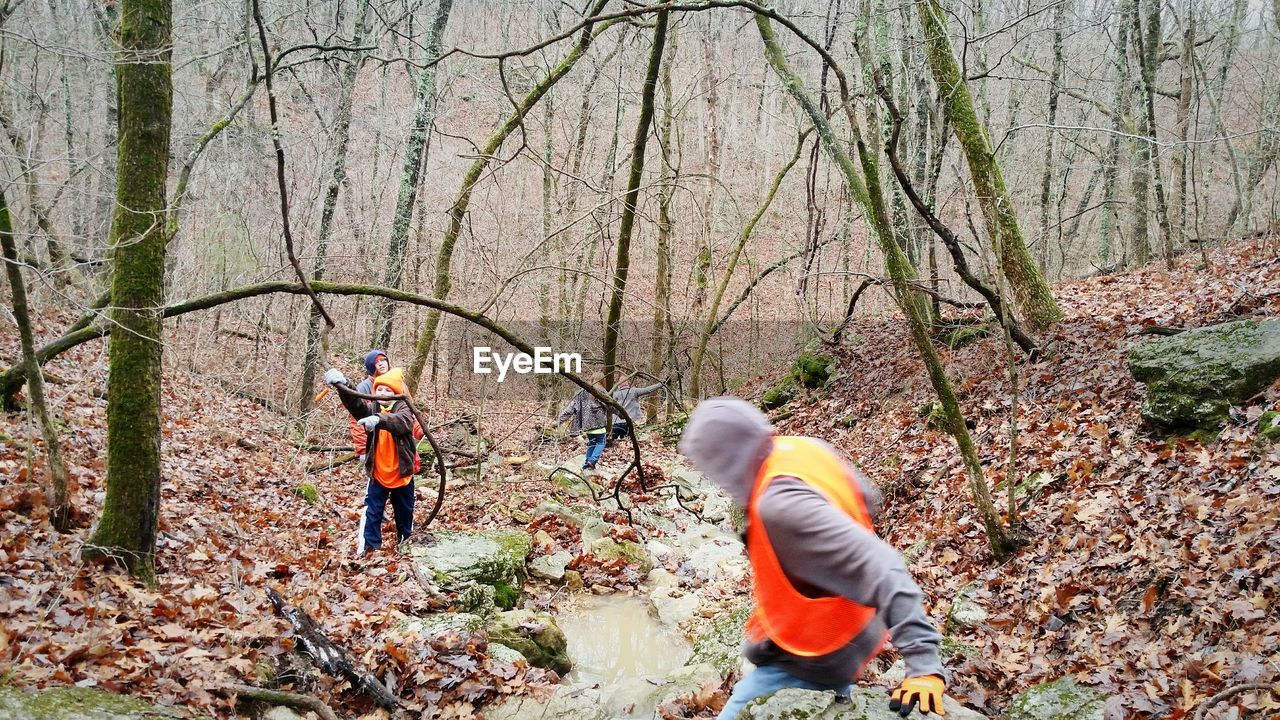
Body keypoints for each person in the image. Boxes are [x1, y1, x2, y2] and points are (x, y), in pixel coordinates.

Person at [678, 397, 948, 719]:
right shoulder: (800, 450)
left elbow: (882, 565)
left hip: (816, 653)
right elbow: (866, 499)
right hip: (852, 627)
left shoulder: (781, 506)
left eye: (710, 467)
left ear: (726, 459)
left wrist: (924, 665)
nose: (715, 480)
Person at [324, 365, 420, 555]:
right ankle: (369, 549)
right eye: (379, 389)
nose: (383, 393)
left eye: (388, 390)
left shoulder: (403, 406)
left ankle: (405, 546)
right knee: (373, 512)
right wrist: (343, 385)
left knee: (404, 512)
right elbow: (358, 407)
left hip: (401, 473)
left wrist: (379, 420)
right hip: (378, 472)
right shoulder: (375, 405)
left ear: (396, 392)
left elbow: (402, 422)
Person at [554, 372, 610, 471]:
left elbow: (569, 409)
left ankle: (587, 463)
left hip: (587, 426)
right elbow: (612, 406)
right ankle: (592, 461)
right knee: (601, 442)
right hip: (599, 425)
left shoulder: (581, 393)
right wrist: (622, 415)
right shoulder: (602, 391)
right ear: (602, 381)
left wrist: (557, 422)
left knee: (592, 444)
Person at [350, 350, 392, 462]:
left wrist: (419, 432)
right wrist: (363, 448)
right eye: (377, 361)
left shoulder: (398, 382)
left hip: (395, 438)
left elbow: (408, 411)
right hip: (374, 440)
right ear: (371, 366)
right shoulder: (364, 388)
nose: (381, 363)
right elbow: (356, 420)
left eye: (383, 360)